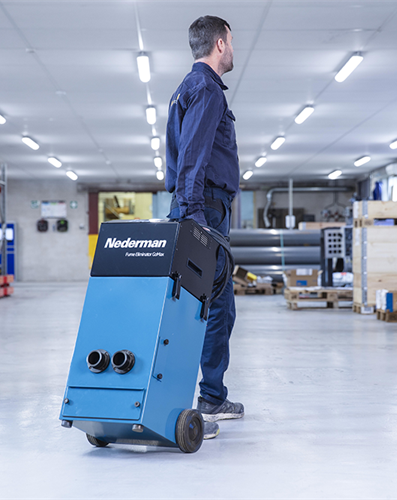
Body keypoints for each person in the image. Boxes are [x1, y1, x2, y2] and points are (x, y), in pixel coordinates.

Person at [165, 15, 244, 440]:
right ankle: (198, 401)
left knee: (210, 307)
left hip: (197, 207)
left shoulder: (186, 88)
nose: (233, 49)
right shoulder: (207, 90)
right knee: (209, 310)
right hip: (204, 211)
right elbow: (193, 157)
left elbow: (181, 158)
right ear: (219, 44)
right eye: (231, 41)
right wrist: (196, 217)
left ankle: (210, 395)